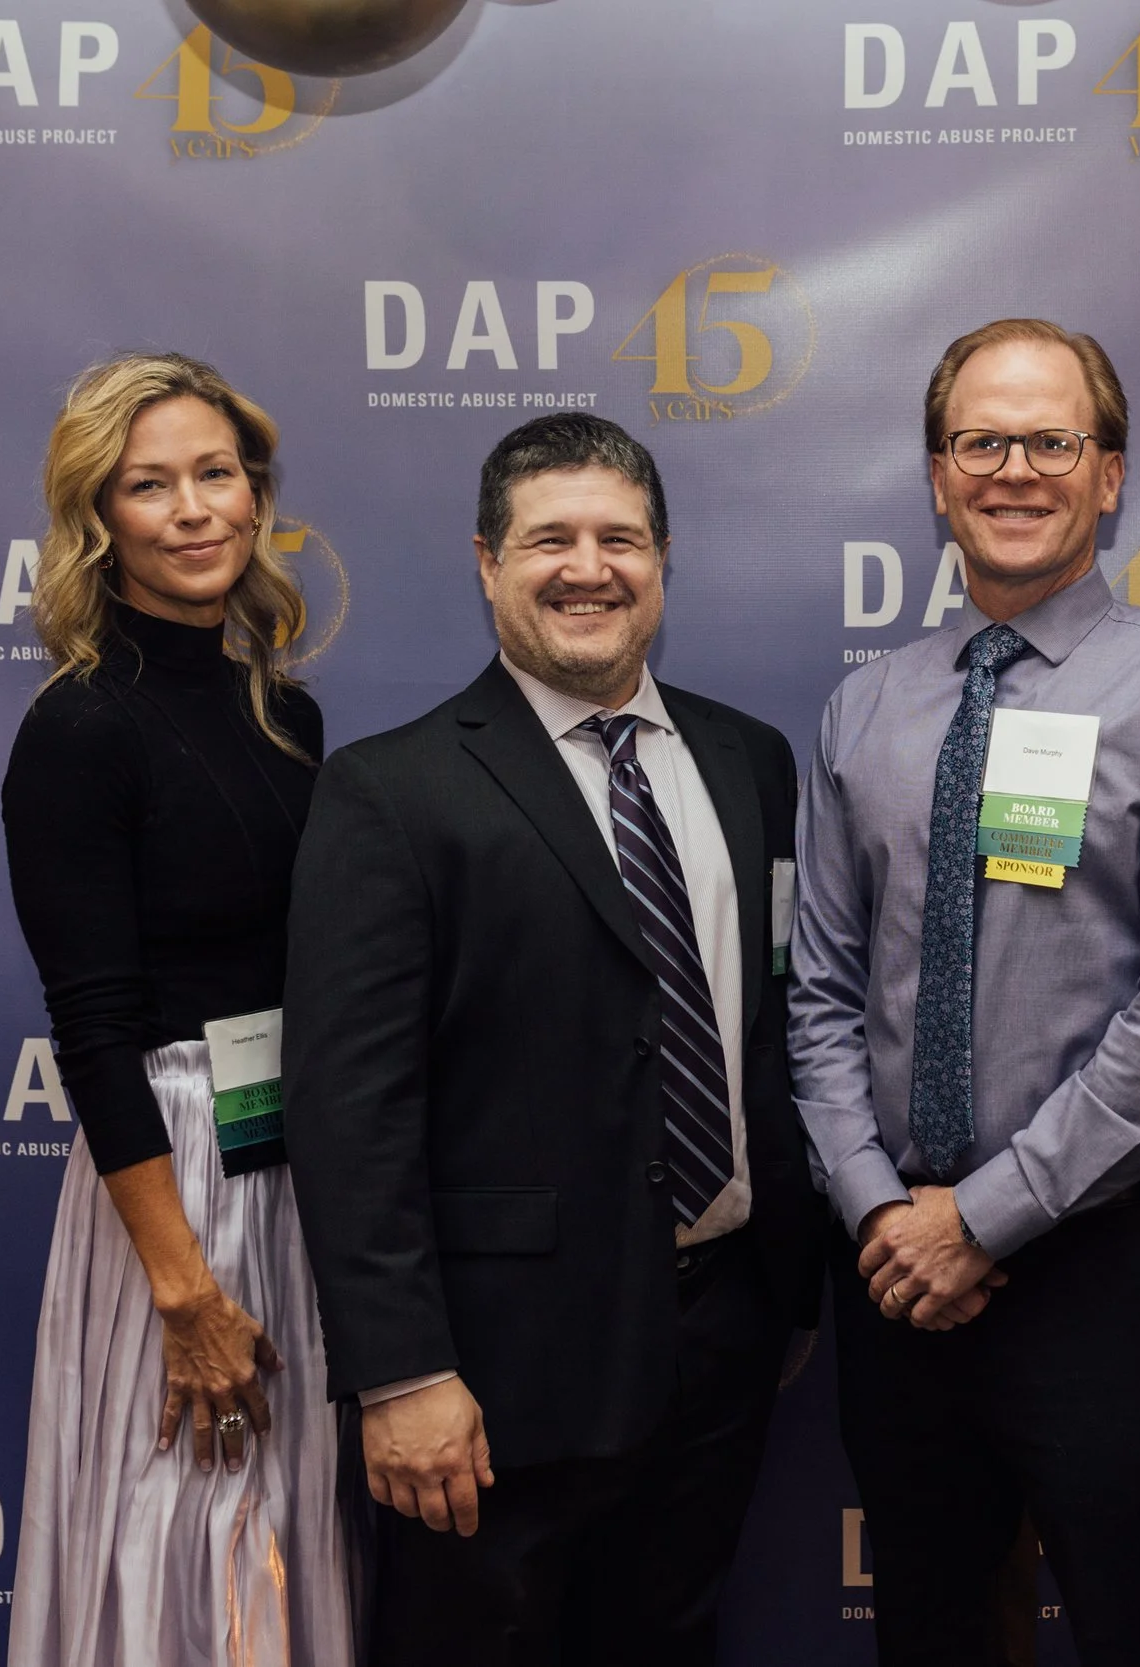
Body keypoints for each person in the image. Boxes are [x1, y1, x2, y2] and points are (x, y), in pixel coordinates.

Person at [282, 412, 827, 1666]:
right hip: (495, 1372)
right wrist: (401, 1370)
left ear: (664, 558)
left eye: (619, 538)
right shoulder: (392, 789)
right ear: (487, 561)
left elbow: (771, 1017)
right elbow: (347, 1108)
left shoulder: (750, 759)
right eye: (550, 539)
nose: (589, 566)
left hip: (721, 1337)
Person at [790, 317, 1140, 1667]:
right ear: (940, 477)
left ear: (1109, 473)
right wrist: (883, 1212)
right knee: (935, 1637)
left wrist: (986, 1218)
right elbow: (822, 993)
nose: (1016, 469)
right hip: (893, 1280)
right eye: (981, 441)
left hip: (1097, 1272)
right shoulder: (864, 709)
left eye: (1051, 441)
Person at [0, 353, 350, 1667]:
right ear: (103, 519)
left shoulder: (287, 715)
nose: (195, 508)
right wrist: (182, 1286)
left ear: (256, 500)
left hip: (292, 1154)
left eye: (218, 474)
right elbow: (93, 1026)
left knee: (277, 1523)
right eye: (152, 485)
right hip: (172, 1178)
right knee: (179, 1526)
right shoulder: (79, 728)